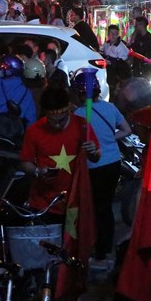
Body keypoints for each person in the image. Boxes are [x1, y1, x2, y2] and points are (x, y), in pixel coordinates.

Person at [73, 67, 132, 264]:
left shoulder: (78, 115)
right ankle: (106, 248)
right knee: (105, 207)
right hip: (113, 163)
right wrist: (109, 140)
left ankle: (97, 248)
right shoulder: (111, 108)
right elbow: (127, 130)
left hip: (93, 166)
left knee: (95, 207)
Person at [19, 87, 101, 217]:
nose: (57, 125)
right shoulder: (34, 131)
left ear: (69, 109)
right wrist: (38, 172)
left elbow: (95, 158)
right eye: (53, 120)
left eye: (61, 120)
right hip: (43, 202)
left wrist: (93, 152)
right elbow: (25, 162)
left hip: (75, 200)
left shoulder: (82, 125)